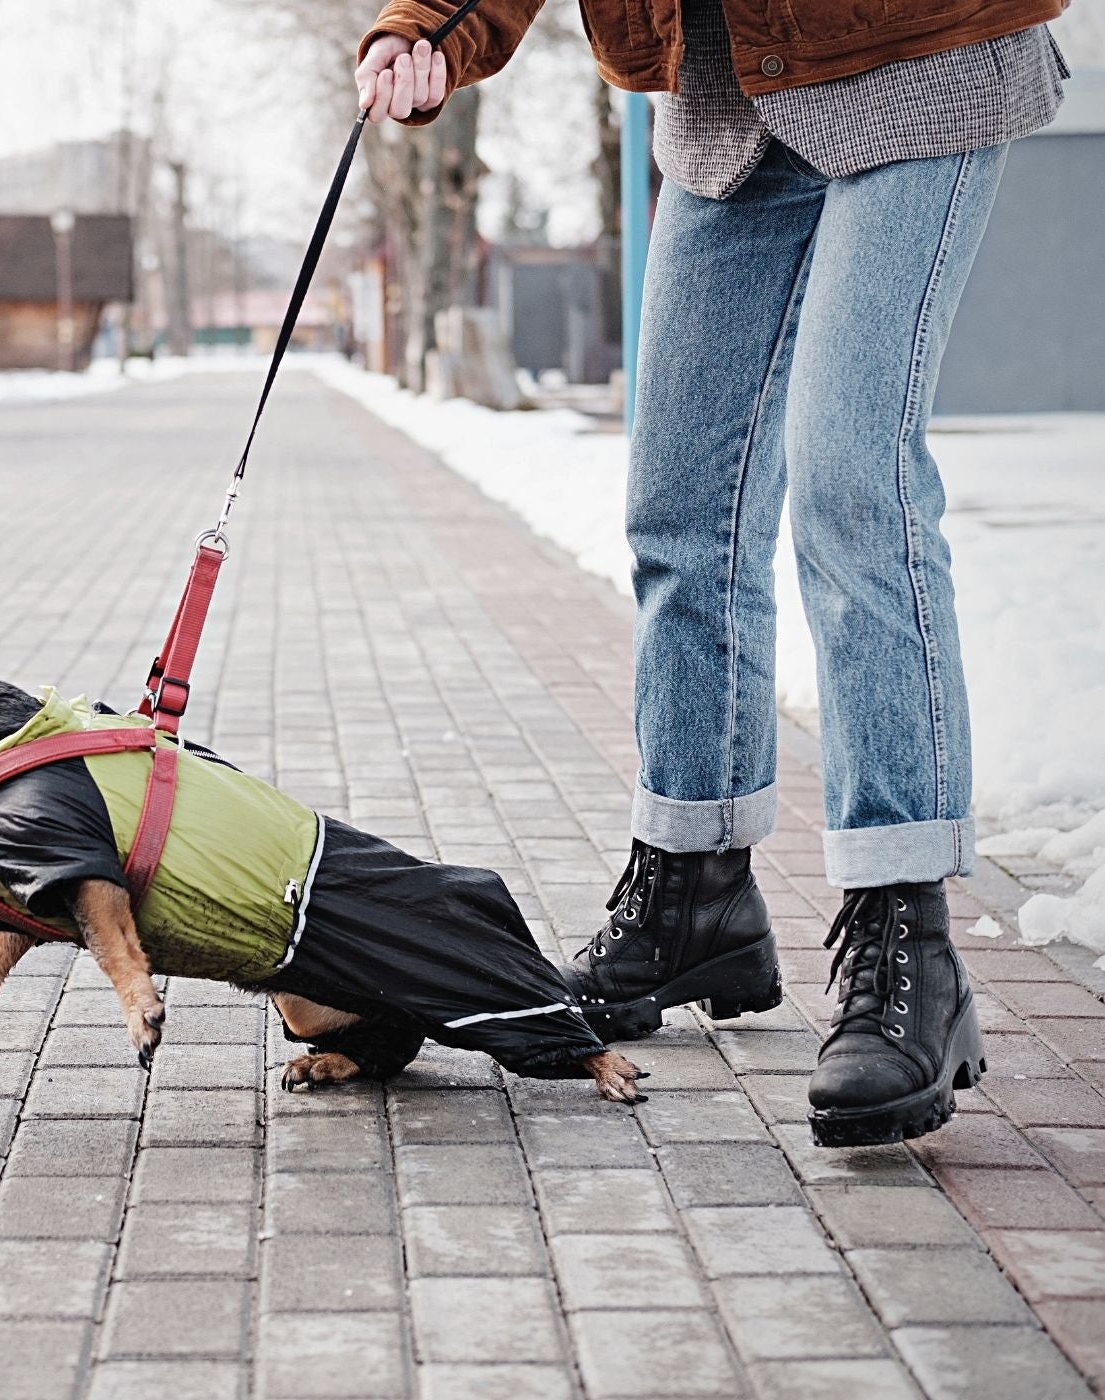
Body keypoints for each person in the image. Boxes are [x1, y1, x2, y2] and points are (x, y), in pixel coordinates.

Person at [352, 0, 1067, 1145]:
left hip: (914, 56)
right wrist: (436, 25)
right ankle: (694, 891)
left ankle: (907, 943)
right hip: (724, 99)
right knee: (681, 509)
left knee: (850, 480)